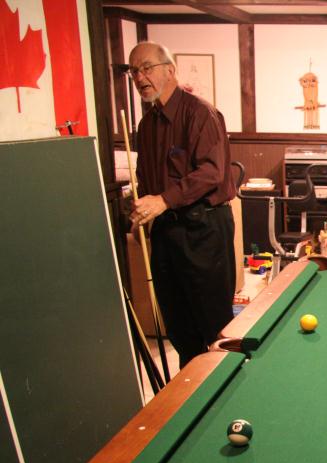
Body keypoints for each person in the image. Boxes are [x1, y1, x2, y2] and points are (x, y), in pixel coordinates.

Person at [127, 41, 236, 368]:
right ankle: (191, 389)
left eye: (147, 68)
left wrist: (162, 200)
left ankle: (223, 385)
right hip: (165, 232)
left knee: (214, 326)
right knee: (179, 327)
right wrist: (141, 215)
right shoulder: (146, 126)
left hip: (203, 230)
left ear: (170, 70)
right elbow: (145, 179)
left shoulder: (199, 113)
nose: (140, 77)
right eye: (134, 71)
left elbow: (212, 172)